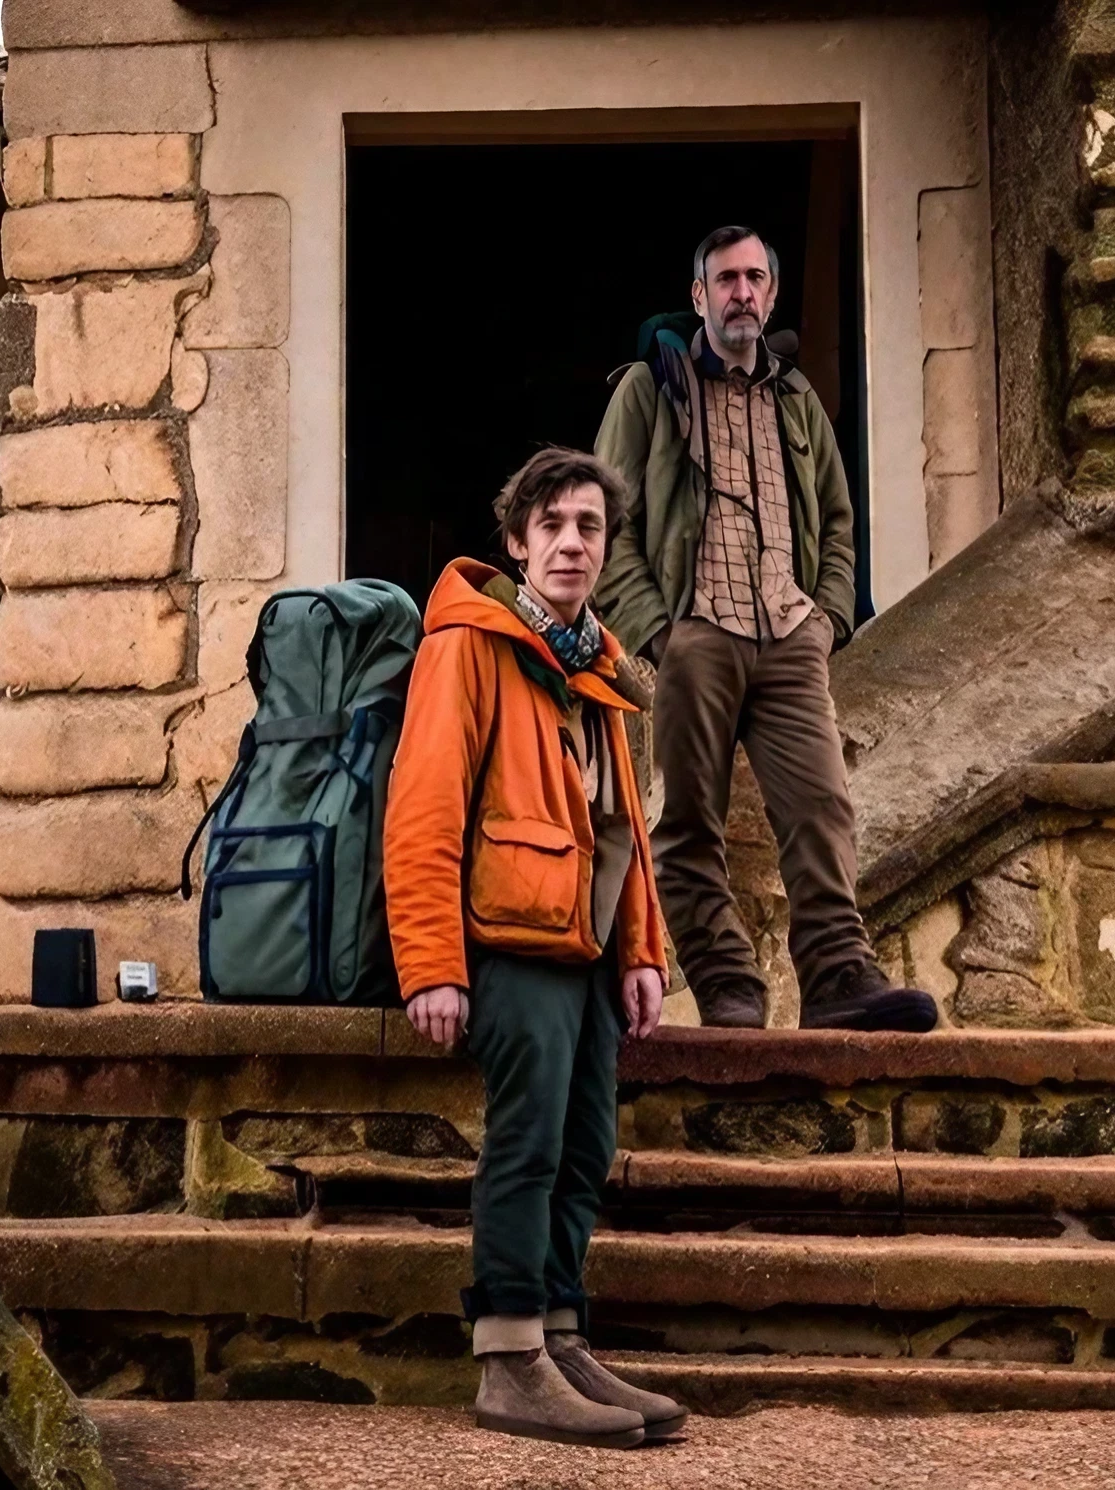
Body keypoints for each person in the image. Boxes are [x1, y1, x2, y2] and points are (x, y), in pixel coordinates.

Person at [384, 447, 689, 1448]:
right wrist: (430, 963)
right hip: (506, 941)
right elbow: (422, 809)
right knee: (526, 1143)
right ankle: (507, 1356)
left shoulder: (596, 663)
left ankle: (559, 1335)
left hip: (589, 947)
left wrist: (642, 950)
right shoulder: (467, 645)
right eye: (551, 524)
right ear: (516, 542)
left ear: (605, 547)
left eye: (588, 526)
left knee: (584, 1147)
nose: (569, 541)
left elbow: (622, 827)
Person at [593, 224, 938, 1033]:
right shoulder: (648, 389)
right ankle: (727, 985)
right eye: (725, 279)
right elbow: (607, 519)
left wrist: (824, 621)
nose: (741, 292)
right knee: (687, 824)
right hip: (696, 632)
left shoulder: (797, 396)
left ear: (771, 293)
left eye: (754, 278)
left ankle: (838, 978)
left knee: (822, 810)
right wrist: (658, 632)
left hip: (788, 636)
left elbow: (841, 521)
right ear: (698, 296)